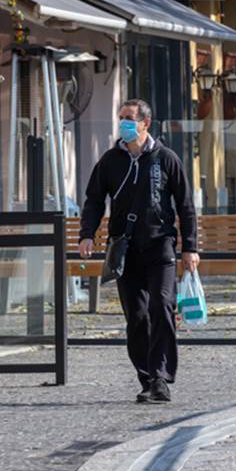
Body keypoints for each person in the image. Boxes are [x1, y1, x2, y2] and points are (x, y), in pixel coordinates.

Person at [79, 99, 199, 404]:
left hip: (160, 245)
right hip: (125, 249)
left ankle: (161, 379)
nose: (123, 123)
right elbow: (94, 200)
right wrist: (87, 234)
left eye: (129, 118)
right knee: (137, 316)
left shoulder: (166, 158)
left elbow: (185, 205)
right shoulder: (110, 160)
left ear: (145, 123)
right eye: (121, 117)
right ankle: (146, 378)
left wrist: (190, 247)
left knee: (162, 305)